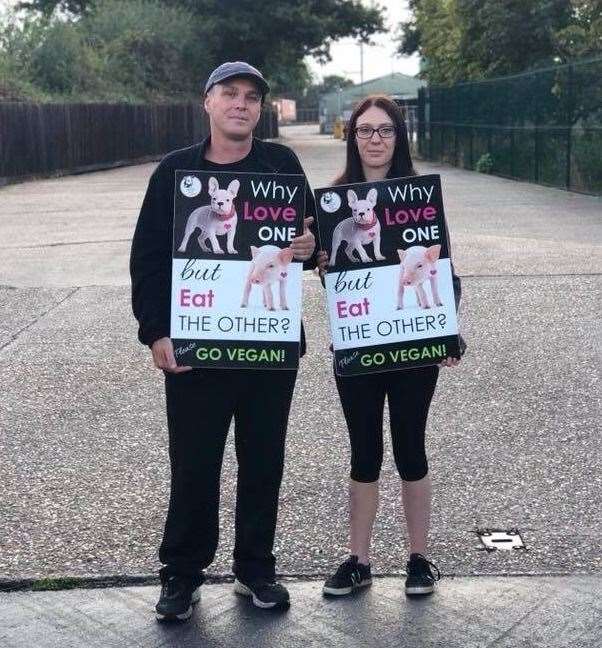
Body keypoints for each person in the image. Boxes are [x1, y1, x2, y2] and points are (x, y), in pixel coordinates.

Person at [130, 61, 316, 620]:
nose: (241, 104)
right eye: (230, 94)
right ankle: (181, 575)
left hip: (267, 347)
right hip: (195, 349)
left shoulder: (280, 165)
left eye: (252, 97)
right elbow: (148, 257)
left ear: (260, 109)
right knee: (193, 463)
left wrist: (308, 245)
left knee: (263, 461)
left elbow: (312, 241)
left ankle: (255, 569)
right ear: (207, 102)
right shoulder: (175, 173)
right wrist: (156, 331)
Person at [317, 95, 464, 598]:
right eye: (365, 130)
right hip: (358, 342)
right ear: (351, 137)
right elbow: (323, 271)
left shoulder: (419, 198)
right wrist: (314, 259)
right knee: (363, 451)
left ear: (399, 138)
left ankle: (419, 558)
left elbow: (445, 271)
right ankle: (358, 560)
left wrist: (449, 331)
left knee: (410, 446)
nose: (375, 139)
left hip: (414, 346)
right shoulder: (333, 201)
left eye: (385, 130)